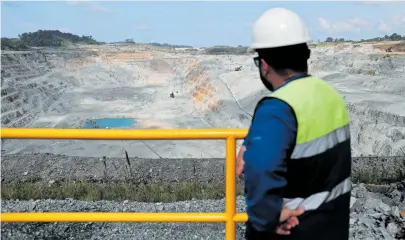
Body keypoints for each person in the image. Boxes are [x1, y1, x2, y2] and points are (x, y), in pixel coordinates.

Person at [236, 8, 352, 240]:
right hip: (333, 227)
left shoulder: (277, 107)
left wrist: (267, 218)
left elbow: (255, 168)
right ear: (305, 54)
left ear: (264, 65)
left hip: (295, 230)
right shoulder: (331, 95)